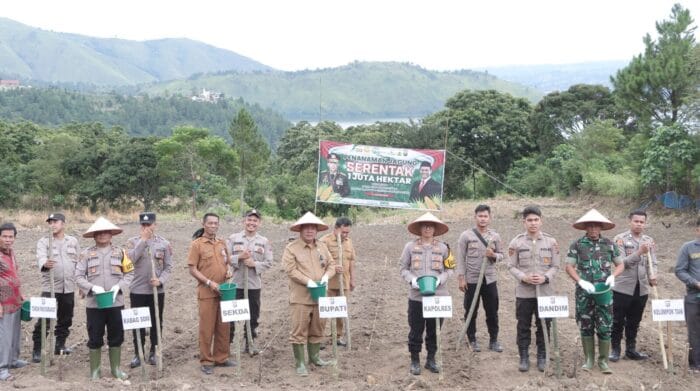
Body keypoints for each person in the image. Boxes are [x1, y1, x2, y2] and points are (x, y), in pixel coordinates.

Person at [565, 209, 624, 374]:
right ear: (585, 227)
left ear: (601, 228)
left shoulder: (609, 245)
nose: (592, 230)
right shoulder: (577, 245)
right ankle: (589, 359)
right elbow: (569, 266)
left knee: (605, 325)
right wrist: (580, 281)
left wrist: (613, 276)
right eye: (589, 226)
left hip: (604, 292)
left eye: (596, 226)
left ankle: (603, 361)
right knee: (586, 325)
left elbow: (620, 264)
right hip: (584, 293)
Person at [75, 217, 134, 380]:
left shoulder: (121, 252)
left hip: (116, 303)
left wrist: (119, 286)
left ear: (111, 234)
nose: (102, 235)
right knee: (94, 336)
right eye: (98, 232)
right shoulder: (86, 254)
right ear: (94, 235)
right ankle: (95, 370)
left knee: (116, 335)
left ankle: (115, 369)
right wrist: (93, 288)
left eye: (105, 232)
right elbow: (78, 276)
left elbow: (129, 273)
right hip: (94, 304)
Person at [282, 211, 336, 376]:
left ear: (317, 230)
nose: (310, 231)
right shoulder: (292, 248)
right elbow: (290, 270)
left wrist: (327, 277)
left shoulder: (322, 246)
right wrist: (308, 282)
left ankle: (315, 357)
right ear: (300, 230)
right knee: (299, 330)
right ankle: (300, 363)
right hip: (301, 298)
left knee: (318, 327)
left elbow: (331, 264)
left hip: (320, 297)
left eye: (313, 228)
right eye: (306, 228)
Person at [507, 206, 560, 372]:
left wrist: (545, 278)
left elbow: (556, 266)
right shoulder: (516, 242)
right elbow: (511, 266)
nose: (533, 223)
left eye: (536, 220)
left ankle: (542, 356)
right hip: (524, 293)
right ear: (524, 222)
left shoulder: (551, 242)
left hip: (545, 293)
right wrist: (524, 277)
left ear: (541, 221)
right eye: (529, 220)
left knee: (544, 324)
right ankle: (524, 356)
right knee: (523, 325)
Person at [399, 212, 452, 375]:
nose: (428, 228)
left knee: (434, 330)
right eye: (425, 225)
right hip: (417, 298)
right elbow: (403, 268)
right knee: (415, 330)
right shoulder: (410, 247)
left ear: (435, 229)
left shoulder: (444, 248)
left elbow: (451, 269)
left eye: (431, 226)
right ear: (420, 228)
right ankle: (415, 360)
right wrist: (412, 280)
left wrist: (439, 280)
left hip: (438, 298)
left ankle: (431, 359)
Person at [187, 212, 234, 375]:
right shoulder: (197, 245)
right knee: (206, 328)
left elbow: (227, 263)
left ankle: (221, 358)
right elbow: (192, 268)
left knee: (224, 326)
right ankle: (206, 360)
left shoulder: (222, 243)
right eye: (210, 223)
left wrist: (228, 271)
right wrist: (209, 282)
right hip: (206, 292)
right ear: (204, 224)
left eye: (216, 223)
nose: (213, 226)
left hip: (224, 292)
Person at [126, 212, 173, 368]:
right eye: (143, 225)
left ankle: (154, 351)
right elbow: (130, 260)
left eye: (149, 224)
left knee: (156, 322)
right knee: (137, 323)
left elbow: (168, 267)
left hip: (156, 291)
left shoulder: (164, 244)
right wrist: (143, 241)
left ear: (155, 225)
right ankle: (138, 353)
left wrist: (160, 281)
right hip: (137, 290)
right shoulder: (132, 242)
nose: (146, 227)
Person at [609, 210, 657, 362]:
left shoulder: (649, 241)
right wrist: (639, 252)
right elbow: (621, 263)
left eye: (642, 222)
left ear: (645, 223)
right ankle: (615, 349)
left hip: (641, 288)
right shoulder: (620, 239)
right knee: (617, 320)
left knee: (634, 321)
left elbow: (653, 261)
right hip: (622, 287)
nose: (639, 224)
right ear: (630, 222)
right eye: (636, 221)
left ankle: (631, 349)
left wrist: (653, 274)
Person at [33, 213, 80, 362]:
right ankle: (38, 349)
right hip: (50, 287)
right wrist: (45, 263)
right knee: (45, 319)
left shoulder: (72, 241)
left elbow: (78, 262)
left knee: (66, 318)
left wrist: (81, 284)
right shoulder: (44, 242)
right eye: (50, 222)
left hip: (69, 287)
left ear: (63, 223)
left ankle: (60, 345)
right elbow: (40, 257)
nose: (52, 224)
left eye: (55, 222)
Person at [456, 204, 504, 353]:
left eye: (485, 216)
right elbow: (460, 258)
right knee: (470, 310)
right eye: (480, 216)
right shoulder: (466, 236)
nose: (483, 219)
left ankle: (494, 340)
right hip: (471, 279)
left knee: (492, 311)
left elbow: (502, 255)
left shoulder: (495, 236)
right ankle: (472, 339)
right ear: (475, 217)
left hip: (489, 279)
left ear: (490, 218)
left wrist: (494, 255)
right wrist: (461, 278)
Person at [227, 209, 273, 353]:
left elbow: (269, 262)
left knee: (253, 316)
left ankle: (250, 344)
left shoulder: (264, 241)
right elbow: (226, 258)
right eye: (249, 219)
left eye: (255, 220)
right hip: (236, 284)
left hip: (253, 285)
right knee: (231, 317)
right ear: (244, 221)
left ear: (259, 223)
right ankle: (227, 346)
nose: (251, 223)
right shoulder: (233, 238)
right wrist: (239, 257)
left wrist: (255, 265)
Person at [319, 216, 356, 347]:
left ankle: (338, 336)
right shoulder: (324, 241)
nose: (345, 235)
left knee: (341, 310)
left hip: (344, 282)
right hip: (328, 283)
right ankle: (319, 338)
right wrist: (333, 267)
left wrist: (352, 279)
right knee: (324, 310)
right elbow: (319, 261)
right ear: (335, 229)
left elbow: (351, 261)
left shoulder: (348, 242)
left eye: (347, 232)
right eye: (343, 232)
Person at [0, 223, 28, 381]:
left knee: (15, 333)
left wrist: (21, 294)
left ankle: (13, 360)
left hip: (15, 301)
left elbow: (14, 274)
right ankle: (2, 368)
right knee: (3, 336)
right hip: (3, 303)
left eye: (11, 237)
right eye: (5, 236)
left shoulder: (11, 252)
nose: (8, 239)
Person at [674, 216, 700, 373]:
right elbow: (680, 270)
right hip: (694, 297)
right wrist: (695, 283)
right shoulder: (688, 247)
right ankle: (695, 363)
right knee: (695, 331)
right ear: (697, 230)